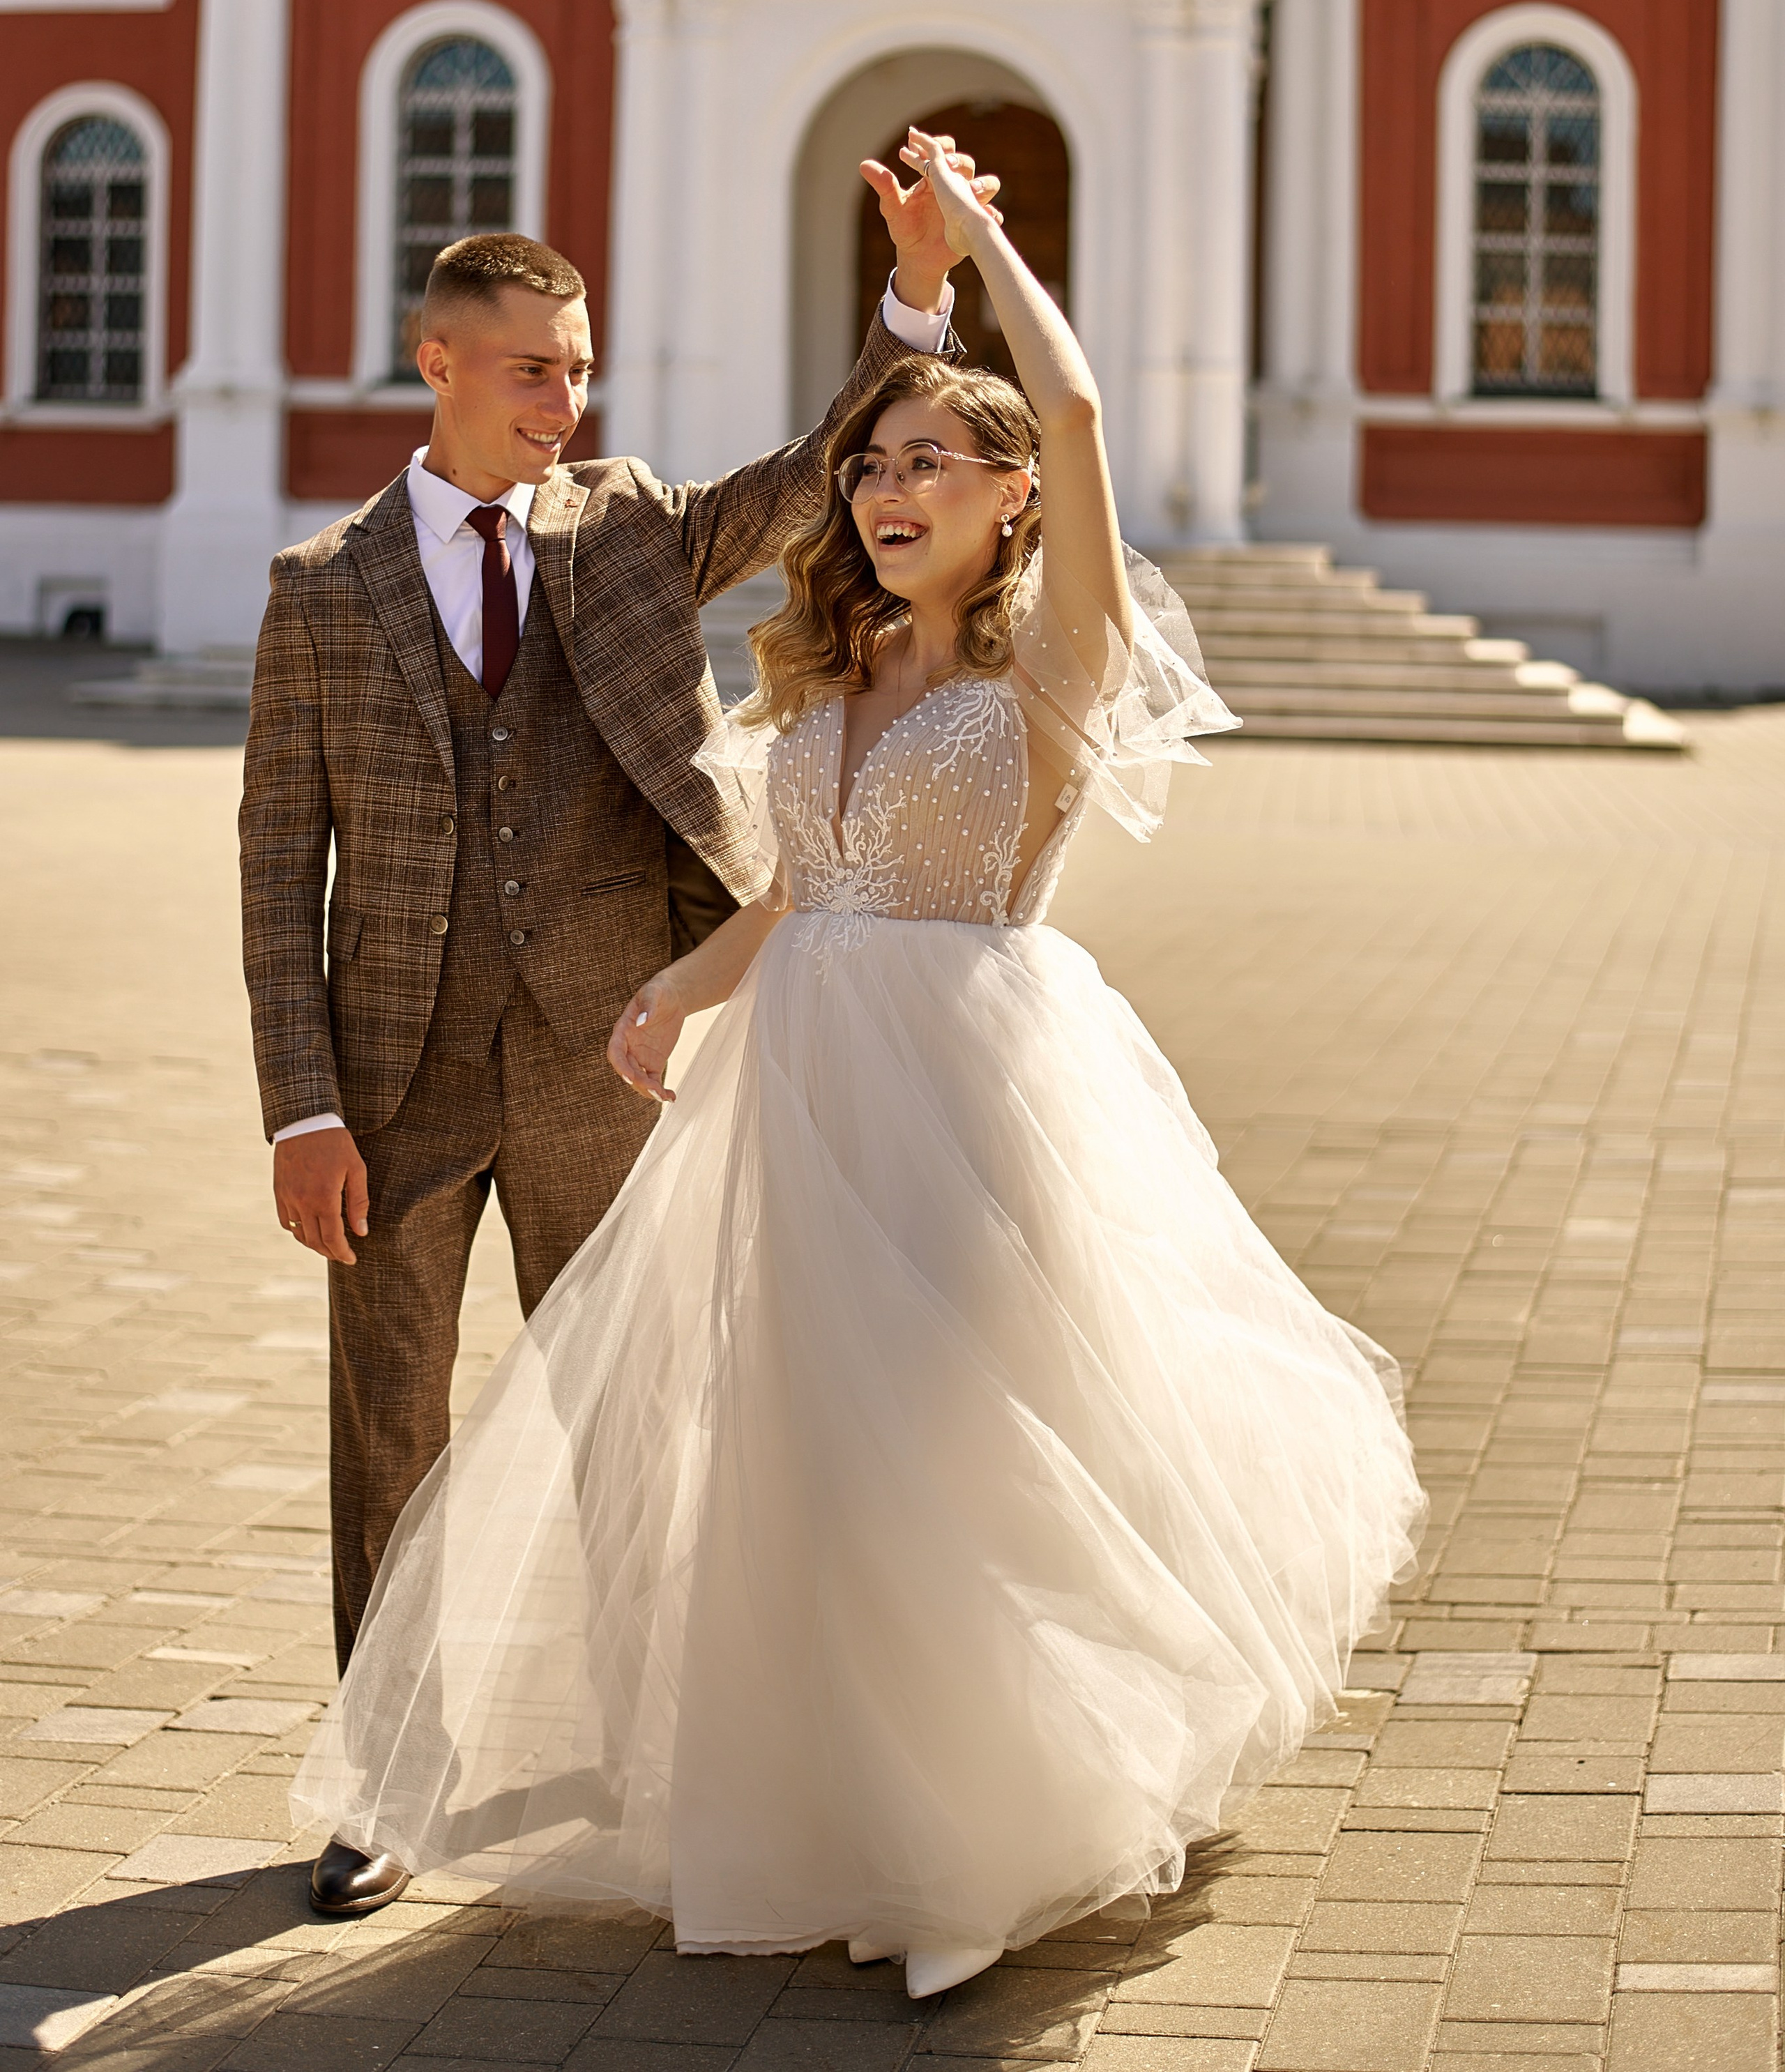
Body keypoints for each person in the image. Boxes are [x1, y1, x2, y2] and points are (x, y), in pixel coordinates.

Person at [292, 130, 1425, 1988]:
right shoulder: (833, 666)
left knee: (952, 1452)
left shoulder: (1051, 664)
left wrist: (959, 256)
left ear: (1011, 495)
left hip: (963, 1096)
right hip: (795, 1100)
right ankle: (826, 1805)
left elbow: (1070, 408)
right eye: (876, 465)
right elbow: (803, 889)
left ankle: (977, 1835)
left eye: (926, 462)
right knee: (812, 1469)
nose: (887, 488)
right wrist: (675, 993)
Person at [243, 158, 994, 1919]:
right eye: (533, 370)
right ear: (437, 358)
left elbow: (819, 467)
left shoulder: (630, 525)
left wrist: (913, 301)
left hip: (606, 1056)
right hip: (395, 1081)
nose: (564, 402)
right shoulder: (320, 589)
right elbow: (280, 869)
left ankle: (661, 1757)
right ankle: (387, 1781)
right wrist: (300, 1109)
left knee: (632, 1421)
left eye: (579, 369)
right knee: (388, 1433)